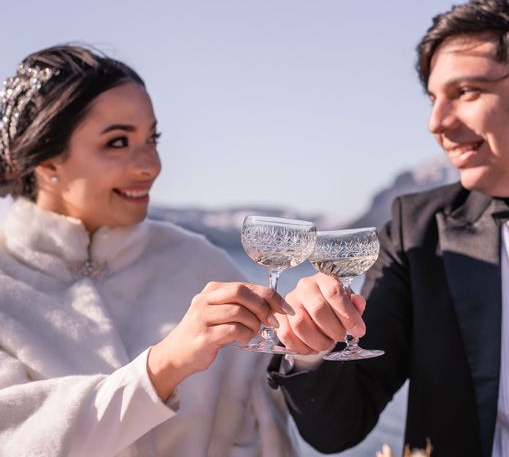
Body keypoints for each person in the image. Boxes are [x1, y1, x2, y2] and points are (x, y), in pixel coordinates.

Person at [268, 0, 509, 456]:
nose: (436, 122)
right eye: (432, 99)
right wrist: (310, 344)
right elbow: (337, 427)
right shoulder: (417, 233)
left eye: (464, 92)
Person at [0, 45, 296, 456]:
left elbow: (265, 427)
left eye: (152, 138)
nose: (151, 164)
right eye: (119, 142)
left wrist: (309, 347)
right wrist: (164, 367)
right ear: (47, 163)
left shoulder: (199, 264)